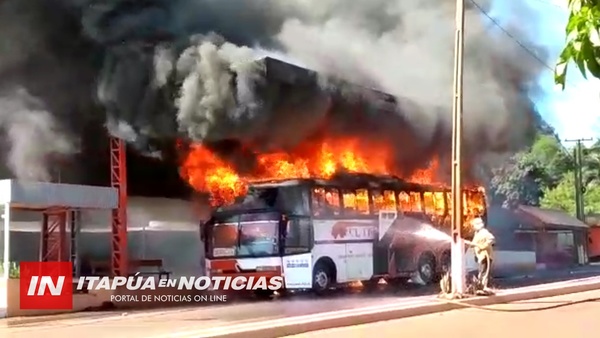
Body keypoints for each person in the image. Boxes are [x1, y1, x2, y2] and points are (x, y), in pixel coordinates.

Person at [468, 217, 495, 291]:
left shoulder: (484, 232)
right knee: (481, 271)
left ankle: (484, 286)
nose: (473, 227)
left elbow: (492, 239)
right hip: (480, 256)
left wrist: (484, 246)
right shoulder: (477, 233)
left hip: (485, 256)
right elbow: (475, 243)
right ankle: (482, 286)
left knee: (484, 272)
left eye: (474, 225)